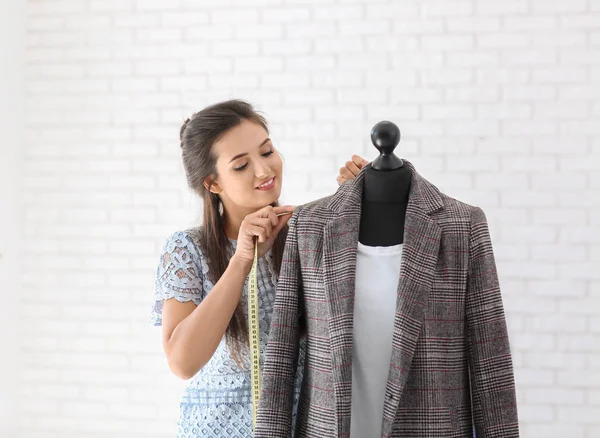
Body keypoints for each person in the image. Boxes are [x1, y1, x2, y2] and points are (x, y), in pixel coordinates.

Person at [150, 99, 367, 438]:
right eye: (241, 166)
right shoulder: (187, 249)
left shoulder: (304, 233)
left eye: (266, 152)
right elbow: (182, 362)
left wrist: (362, 206)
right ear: (213, 183)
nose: (264, 171)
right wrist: (241, 262)